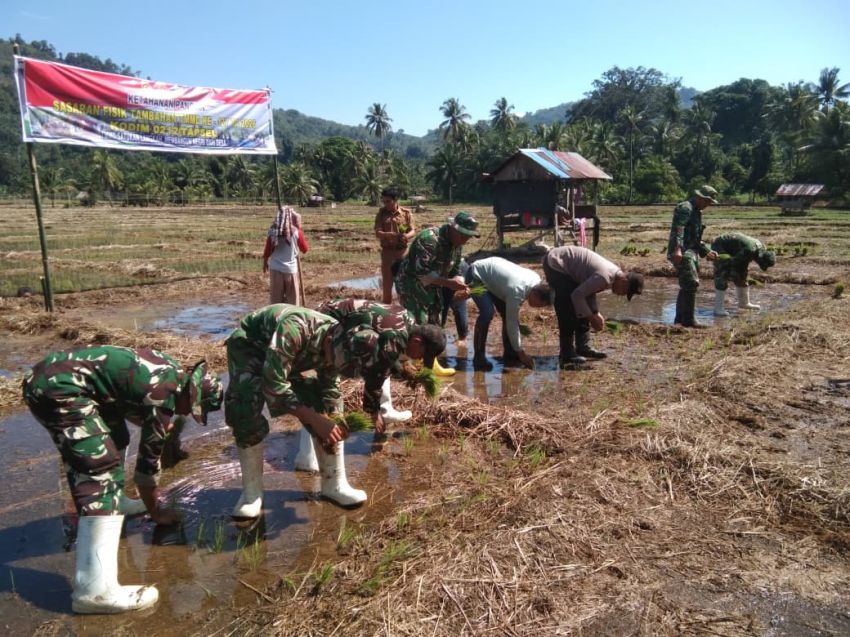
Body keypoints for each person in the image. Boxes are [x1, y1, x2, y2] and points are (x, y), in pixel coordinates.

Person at [22, 346, 223, 614]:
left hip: (58, 377)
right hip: (60, 390)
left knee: (116, 441)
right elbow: (146, 470)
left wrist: (156, 424)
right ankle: (95, 591)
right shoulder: (164, 398)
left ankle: (117, 503)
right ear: (192, 395)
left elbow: (124, 394)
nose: (185, 413)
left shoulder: (169, 371)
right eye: (190, 409)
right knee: (100, 468)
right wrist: (157, 512)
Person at [292, 298, 446, 472]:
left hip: (336, 318)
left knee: (330, 386)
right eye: (422, 354)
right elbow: (375, 376)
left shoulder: (408, 321)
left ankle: (312, 449)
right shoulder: (395, 339)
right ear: (417, 341)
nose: (418, 359)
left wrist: (403, 371)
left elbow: (385, 356)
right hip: (323, 324)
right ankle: (306, 457)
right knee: (324, 393)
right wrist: (373, 412)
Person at [393, 211, 480, 376]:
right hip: (411, 283)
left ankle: (430, 363)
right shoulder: (430, 239)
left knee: (435, 323)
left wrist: (459, 280)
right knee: (417, 322)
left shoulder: (457, 245)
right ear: (453, 229)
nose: (466, 240)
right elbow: (422, 273)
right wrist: (449, 283)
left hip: (433, 284)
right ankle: (410, 364)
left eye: (468, 236)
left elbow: (455, 268)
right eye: (464, 235)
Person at [542, 246, 644, 367]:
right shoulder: (605, 277)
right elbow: (577, 295)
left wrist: (595, 312)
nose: (621, 295)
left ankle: (583, 347)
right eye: (625, 292)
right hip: (556, 263)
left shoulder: (613, 275)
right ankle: (567, 353)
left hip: (567, 266)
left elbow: (588, 292)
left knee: (582, 307)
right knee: (567, 307)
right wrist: (592, 317)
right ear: (624, 281)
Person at [465, 257, 551, 371]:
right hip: (475, 275)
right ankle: (478, 357)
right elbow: (512, 323)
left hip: (493, 276)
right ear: (536, 295)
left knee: (507, 315)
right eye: (539, 305)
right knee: (487, 312)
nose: (537, 308)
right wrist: (522, 354)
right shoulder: (517, 291)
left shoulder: (536, 279)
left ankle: (510, 354)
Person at [667, 186, 720, 327]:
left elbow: (695, 237)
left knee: (686, 284)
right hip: (683, 251)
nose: (708, 204)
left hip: (691, 250)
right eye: (707, 201)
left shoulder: (697, 212)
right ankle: (689, 320)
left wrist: (706, 250)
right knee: (691, 282)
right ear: (699, 197)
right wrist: (678, 249)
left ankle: (679, 319)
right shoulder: (686, 208)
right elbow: (680, 229)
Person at [710, 232, 776, 316]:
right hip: (720, 245)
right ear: (760, 258)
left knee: (741, 274)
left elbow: (742, 266)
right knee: (722, 273)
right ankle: (718, 308)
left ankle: (744, 303)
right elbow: (733, 262)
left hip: (735, 249)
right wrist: (729, 272)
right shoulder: (749, 250)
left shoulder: (761, 249)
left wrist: (741, 277)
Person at [374, 187, 415, 304]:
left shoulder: (406, 213)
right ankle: (387, 316)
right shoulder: (381, 213)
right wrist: (387, 235)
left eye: (388, 201)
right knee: (387, 287)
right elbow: (377, 232)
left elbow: (413, 231)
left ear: (395, 200)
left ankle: (404, 314)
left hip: (402, 253)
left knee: (404, 286)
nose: (386, 204)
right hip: (387, 254)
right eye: (384, 201)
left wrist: (406, 236)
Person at [262, 205, 304, 305]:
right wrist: (300, 229)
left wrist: (265, 263)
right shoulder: (296, 232)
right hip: (290, 270)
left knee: (276, 300)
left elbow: (268, 250)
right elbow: (305, 249)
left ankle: (276, 318)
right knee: (292, 300)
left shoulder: (273, 231)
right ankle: (292, 317)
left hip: (275, 268)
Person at [440, 259, 470, 349]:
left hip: (449, 268)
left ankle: (439, 338)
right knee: (458, 305)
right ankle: (462, 338)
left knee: (443, 306)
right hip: (461, 264)